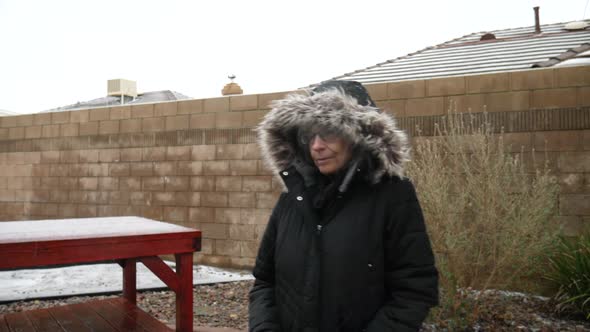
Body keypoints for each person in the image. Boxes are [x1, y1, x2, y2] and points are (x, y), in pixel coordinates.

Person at [249, 80, 438, 331]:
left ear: (359, 135)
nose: (316, 146)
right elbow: (265, 281)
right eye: (309, 135)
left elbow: (414, 291)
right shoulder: (293, 196)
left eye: (328, 131)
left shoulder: (392, 196)